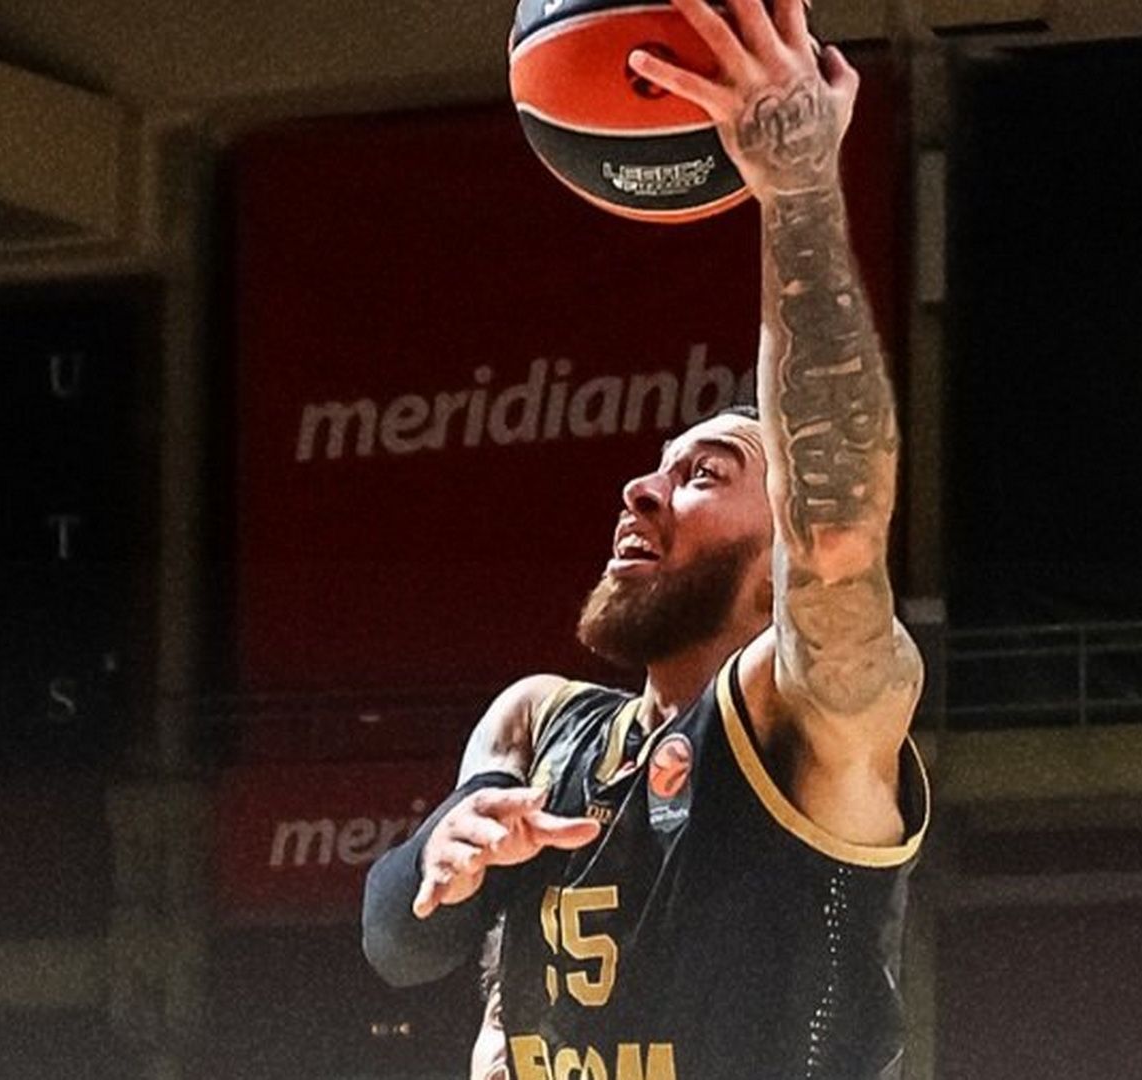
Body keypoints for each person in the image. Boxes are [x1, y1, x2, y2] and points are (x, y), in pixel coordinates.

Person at [362, 1, 928, 1076]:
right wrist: (444, 849)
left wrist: (797, 187)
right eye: (660, 467)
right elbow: (400, 944)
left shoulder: (815, 715)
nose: (640, 489)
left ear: (782, 540)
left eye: (704, 474)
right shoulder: (538, 720)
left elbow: (839, 528)